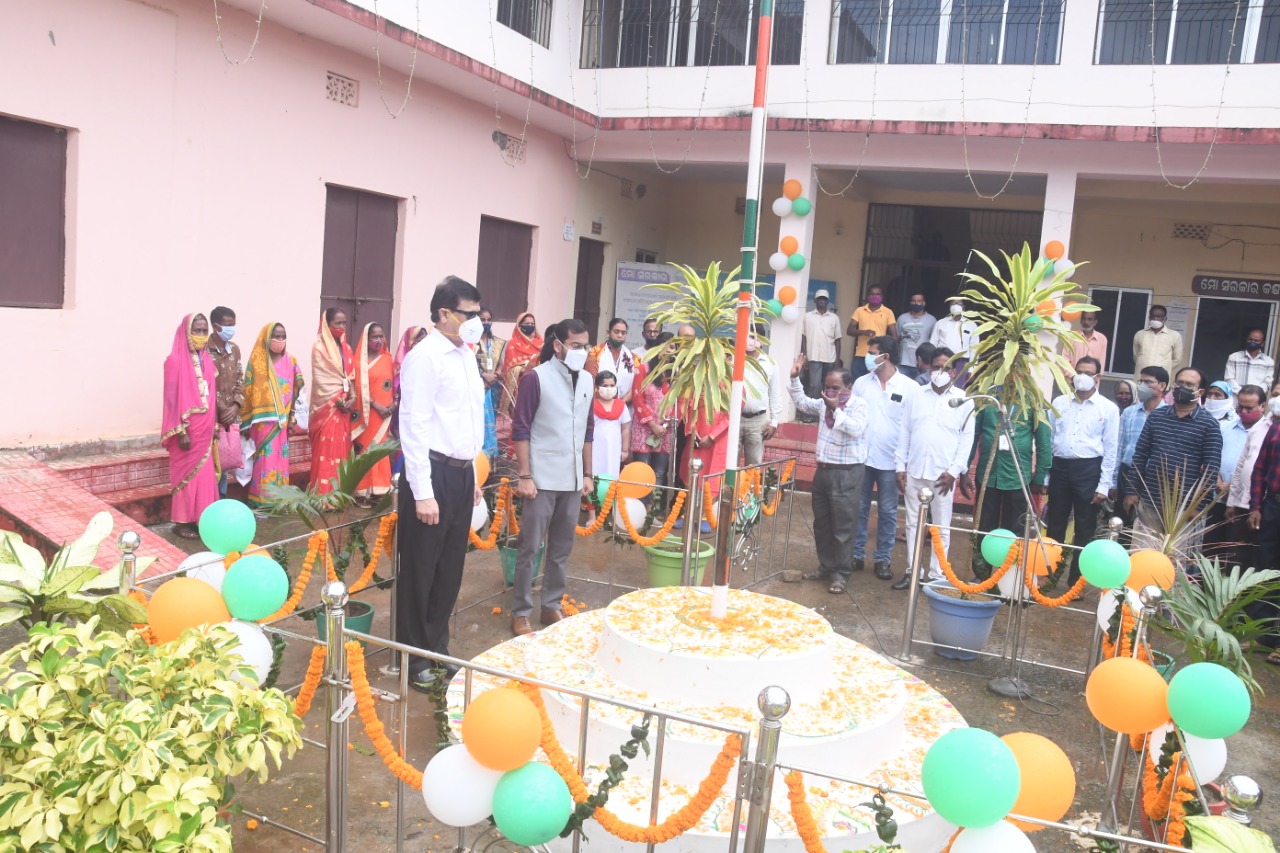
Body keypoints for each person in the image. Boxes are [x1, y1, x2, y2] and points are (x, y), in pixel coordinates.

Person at [397, 276, 486, 689]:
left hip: (461, 472)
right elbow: (413, 426)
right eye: (468, 314)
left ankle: (437, 646)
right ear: (443, 314)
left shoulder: (465, 354)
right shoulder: (425, 357)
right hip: (429, 473)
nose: (475, 322)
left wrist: (472, 472)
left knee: (450, 567)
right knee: (421, 569)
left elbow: (466, 417)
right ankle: (413, 658)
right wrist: (423, 492)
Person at [511, 318, 595, 637]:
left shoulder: (587, 379)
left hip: (573, 480)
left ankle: (551, 604)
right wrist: (525, 475)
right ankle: (520, 611)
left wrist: (587, 474)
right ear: (558, 345)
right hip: (541, 479)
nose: (581, 351)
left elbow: (588, 429)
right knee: (530, 547)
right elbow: (521, 428)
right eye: (575, 346)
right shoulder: (537, 378)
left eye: (585, 345)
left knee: (562, 548)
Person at [787, 355, 870, 595]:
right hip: (823, 471)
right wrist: (794, 378)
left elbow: (855, 429)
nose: (830, 391)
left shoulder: (859, 406)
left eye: (836, 387)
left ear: (849, 387)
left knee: (843, 527)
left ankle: (841, 573)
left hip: (847, 474)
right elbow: (802, 403)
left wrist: (836, 409)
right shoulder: (824, 403)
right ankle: (826, 565)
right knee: (822, 524)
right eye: (826, 387)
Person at [894, 348, 975, 590]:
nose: (940, 372)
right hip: (915, 470)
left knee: (941, 526)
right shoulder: (915, 395)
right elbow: (905, 431)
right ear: (929, 369)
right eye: (936, 367)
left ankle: (937, 575)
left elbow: (966, 440)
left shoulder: (964, 400)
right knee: (912, 524)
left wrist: (954, 471)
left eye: (945, 367)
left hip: (943, 475)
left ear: (953, 371)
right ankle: (913, 571)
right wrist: (900, 466)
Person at [1125, 367, 1223, 556]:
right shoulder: (1157, 416)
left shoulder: (1209, 424)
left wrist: (1197, 507)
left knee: (1172, 566)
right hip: (1149, 502)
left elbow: (1211, 469)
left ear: (1200, 392)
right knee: (1140, 558)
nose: (1182, 387)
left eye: (1189, 384)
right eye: (1179, 383)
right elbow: (1140, 455)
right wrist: (1131, 490)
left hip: (1183, 511)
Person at [1045, 356, 1120, 581]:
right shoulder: (1059, 403)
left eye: (1088, 373)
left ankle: (1076, 579)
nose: (1083, 377)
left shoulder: (1108, 408)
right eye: (1079, 371)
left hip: (1088, 470)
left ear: (1098, 378)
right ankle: (1050, 574)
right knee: (1055, 523)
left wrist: (1104, 485)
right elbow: (1049, 439)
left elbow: (1110, 448)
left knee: (1085, 527)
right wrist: (1047, 476)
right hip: (1059, 468)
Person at [964, 396, 1051, 580]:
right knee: (984, 526)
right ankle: (981, 574)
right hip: (988, 474)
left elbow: (1044, 441)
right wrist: (965, 469)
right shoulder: (987, 400)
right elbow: (972, 436)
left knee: (1015, 530)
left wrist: (1040, 475)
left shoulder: (1033, 401)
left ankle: (1010, 577)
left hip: (1018, 476)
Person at [852, 336, 916, 581]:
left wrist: (905, 463)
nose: (868, 356)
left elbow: (910, 427)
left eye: (872, 352)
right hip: (862, 457)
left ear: (885, 356)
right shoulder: (860, 383)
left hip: (892, 461)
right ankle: (857, 555)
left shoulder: (908, 388)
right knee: (859, 508)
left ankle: (883, 559)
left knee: (889, 511)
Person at [162, 314, 219, 539]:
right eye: (196, 330)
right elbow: (171, 400)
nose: (201, 336)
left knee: (205, 477)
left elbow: (212, 396)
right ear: (185, 332)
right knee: (187, 476)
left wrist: (214, 426)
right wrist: (181, 430)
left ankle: (201, 519)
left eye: (205, 331)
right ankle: (182, 522)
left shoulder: (209, 361)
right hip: (185, 430)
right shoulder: (174, 361)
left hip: (205, 428)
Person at [241, 322, 305, 511]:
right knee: (264, 462)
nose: (279, 340)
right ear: (266, 338)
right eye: (276, 336)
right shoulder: (257, 362)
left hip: (283, 423)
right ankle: (261, 502)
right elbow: (248, 392)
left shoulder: (291, 361)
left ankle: (280, 501)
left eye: (283, 336)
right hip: (262, 424)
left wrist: (292, 420)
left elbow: (297, 393)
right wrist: (245, 423)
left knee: (281, 461)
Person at [1208, 384, 1266, 566]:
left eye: (1249, 408)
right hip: (1217, 498)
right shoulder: (1225, 427)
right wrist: (1218, 481)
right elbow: (1213, 455)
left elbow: (1253, 469)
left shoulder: (1268, 431)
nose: (1243, 411)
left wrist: (1231, 486)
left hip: (1246, 504)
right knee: (1210, 552)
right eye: (1240, 406)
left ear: (1262, 406)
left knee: (1237, 555)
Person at [1246, 396, 1280, 662]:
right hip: (1272, 508)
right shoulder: (1277, 429)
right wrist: (1255, 505)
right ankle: (1262, 635)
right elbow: (1260, 468)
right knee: (1265, 572)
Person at [309, 308, 355, 495]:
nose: (342, 327)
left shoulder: (347, 349)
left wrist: (352, 398)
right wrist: (337, 401)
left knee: (342, 451)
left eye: (344, 323)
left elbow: (350, 377)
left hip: (344, 409)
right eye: (338, 323)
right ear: (327, 325)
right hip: (328, 409)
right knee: (326, 452)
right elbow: (321, 380)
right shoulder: (319, 348)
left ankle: (340, 494)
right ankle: (323, 496)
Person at [1117, 367, 1169, 533]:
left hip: (1154, 477)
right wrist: (1112, 481)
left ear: (1162, 386)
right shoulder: (1130, 412)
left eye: (1148, 382)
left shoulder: (1170, 414)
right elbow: (1120, 446)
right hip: (1127, 472)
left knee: (1148, 527)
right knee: (1122, 524)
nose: (1142, 386)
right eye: (1141, 381)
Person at [631, 334, 675, 509]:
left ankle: (652, 511)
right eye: (665, 345)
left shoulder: (677, 374)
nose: (669, 350)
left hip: (666, 430)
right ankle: (639, 508)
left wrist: (664, 425)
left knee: (659, 473)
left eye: (672, 347)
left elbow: (681, 401)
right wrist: (652, 424)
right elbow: (637, 398)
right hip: (645, 427)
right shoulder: (644, 368)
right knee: (643, 471)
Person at [352, 323, 394, 504]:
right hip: (366, 414)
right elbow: (358, 390)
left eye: (381, 336)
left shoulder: (388, 359)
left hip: (385, 415)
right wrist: (376, 405)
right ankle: (362, 491)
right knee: (365, 449)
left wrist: (393, 405)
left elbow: (396, 385)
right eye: (374, 337)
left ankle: (380, 490)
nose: (379, 340)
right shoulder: (358, 364)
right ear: (366, 340)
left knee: (380, 451)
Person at [207, 306, 244, 497]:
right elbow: (206, 385)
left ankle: (221, 499)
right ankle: (208, 501)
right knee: (211, 462)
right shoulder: (204, 350)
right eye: (228, 325)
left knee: (226, 460)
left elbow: (240, 379)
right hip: (211, 417)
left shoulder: (234, 350)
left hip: (231, 418)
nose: (232, 328)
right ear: (216, 326)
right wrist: (223, 409)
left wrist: (236, 406)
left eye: (234, 324)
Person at [742, 328, 784, 467]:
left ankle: (747, 489)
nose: (750, 340)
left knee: (753, 463)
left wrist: (774, 422)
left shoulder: (770, 363)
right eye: (747, 336)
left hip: (757, 420)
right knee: (728, 461)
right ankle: (729, 489)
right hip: (733, 418)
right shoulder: (733, 359)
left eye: (753, 337)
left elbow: (775, 393)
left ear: (761, 340)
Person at [846, 286, 897, 380]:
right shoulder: (860, 310)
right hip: (861, 354)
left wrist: (888, 353)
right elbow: (849, 331)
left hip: (878, 356)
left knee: (877, 382)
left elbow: (894, 336)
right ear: (868, 295)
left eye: (877, 294)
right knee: (857, 382)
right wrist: (863, 332)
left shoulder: (888, 312)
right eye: (872, 294)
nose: (875, 296)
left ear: (882, 296)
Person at [590, 370, 631, 483]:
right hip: (595, 448)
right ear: (597, 388)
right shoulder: (591, 405)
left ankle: (610, 499)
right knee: (595, 474)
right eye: (605, 385)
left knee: (612, 476)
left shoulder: (621, 406)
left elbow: (625, 429)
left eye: (612, 385)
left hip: (614, 448)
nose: (609, 388)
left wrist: (625, 450)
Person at [500, 312, 542, 417]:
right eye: (527, 323)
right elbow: (510, 368)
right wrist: (528, 369)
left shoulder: (541, 343)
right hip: (519, 386)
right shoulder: (513, 344)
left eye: (532, 324)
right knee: (520, 417)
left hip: (539, 383)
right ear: (519, 325)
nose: (530, 326)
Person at [476, 309, 505, 460]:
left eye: (488, 319)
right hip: (478, 385)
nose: (486, 323)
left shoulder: (499, 343)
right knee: (479, 419)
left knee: (491, 419)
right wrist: (483, 375)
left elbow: (502, 363)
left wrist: (496, 374)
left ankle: (492, 457)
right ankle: (480, 454)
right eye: (482, 319)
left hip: (494, 387)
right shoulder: (471, 342)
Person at [586, 318, 637, 405]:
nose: (620, 335)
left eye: (623, 333)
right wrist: (608, 404)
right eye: (616, 332)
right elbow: (590, 381)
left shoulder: (633, 357)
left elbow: (637, 384)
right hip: (599, 405)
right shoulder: (595, 353)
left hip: (625, 406)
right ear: (608, 332)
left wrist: (622, 403)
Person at [930, 300, 979, 388]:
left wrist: (972, 370)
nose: (956, 306)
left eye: (959, 304)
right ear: (949, 306)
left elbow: (974, 350)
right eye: (953, 303)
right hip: (943, 363)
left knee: (958, 390)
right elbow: (932, 344)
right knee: (939, 386)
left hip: (961, 364)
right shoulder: (940, 323)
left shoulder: (971, 325)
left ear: (964, 307)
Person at [801, 289, 842, 394]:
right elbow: (804, 337)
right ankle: (812, 408)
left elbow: (837, 339)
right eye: (820, 299)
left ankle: (825, 408)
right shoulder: (807, 316)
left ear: (827, 301)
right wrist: (804, 356)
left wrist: (837, 358)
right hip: (813, 356)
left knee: (828, 385)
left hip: (830, 357)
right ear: (815, 301)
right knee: (814, 385)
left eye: (824, 299)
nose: (822, 301)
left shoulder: (834, 318)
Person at [1132, 305, 1183, 381]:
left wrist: (1164, 367)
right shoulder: (1140, 334)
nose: (1155, 319)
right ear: (1149, 318)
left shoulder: (1175, 336)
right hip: (1140, 377)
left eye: (1159, 316)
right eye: (1153, 316)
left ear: (1165, 319)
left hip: (1160, 379)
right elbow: (1136, 355)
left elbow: (1177, 359)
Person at [895, 294, 936, 380]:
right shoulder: (902, 318)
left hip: (922, 364)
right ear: (910, 302)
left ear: (924, 303)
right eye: (913, 301)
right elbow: (897, 339)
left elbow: (934, 341)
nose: (916, 303)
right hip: (903, 363)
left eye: (919, 301)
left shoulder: (932, 320)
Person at [1224, 328, 1275, 394]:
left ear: (1262, 343)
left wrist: (1255, 394)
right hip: (1236, 398)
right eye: (1250, 339)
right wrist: (1242, 393)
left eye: (1256, 340)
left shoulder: (1268, 361)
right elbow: (1229, 379)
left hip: (1256, 400)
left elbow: (1267, 382)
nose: (1253, 342)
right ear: (1246, 340)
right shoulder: (1234, 357)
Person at [1064, 308, 1108, 377]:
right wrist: (1073, 377)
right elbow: (1065, 360)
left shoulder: (1102, 339)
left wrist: (1094, 379)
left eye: (1089, 319)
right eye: (1084, 319)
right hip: (1073, 381)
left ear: (1095, 322)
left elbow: (1101, 363)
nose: (1086, 322)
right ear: (1080, 320)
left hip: (1092, 383)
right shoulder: (1071, 337)